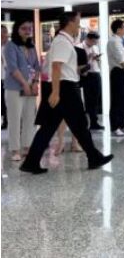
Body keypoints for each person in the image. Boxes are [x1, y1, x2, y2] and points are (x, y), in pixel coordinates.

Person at [20, 12, 113, 174]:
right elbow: (56, 66)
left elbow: (61, 67)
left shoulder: (63, 41)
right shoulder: (62, 41)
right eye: (78, 22)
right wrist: (56, 92)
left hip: (63, 86)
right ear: (70, 23)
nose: (79, 26)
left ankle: (31, 162)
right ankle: (94, 157)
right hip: (65, 88)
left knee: (50, 127)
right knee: (79, 125)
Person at [3, 19, 41, 161]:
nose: (28, 31)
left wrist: (35, 82)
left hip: (31, 87)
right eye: (24, 28)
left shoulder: (32, 46)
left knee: (30, 118)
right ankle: (15, 149)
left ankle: (27, 146)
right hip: (15, 88)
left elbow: (37, 66)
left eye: (29, 28)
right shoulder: (10, 46)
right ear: (17, 30)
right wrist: (24, 84)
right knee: (14, 119)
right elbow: (13, 68)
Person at [107, 19, 124, 136]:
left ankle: (123, 124)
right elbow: (121, 60)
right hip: (118, 72)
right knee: (116, 100)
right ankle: (114, 127)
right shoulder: (114, 41)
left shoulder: (118, 41)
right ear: (118, 29)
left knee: (122, 100)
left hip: (121, 72)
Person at [81, 32, 104, 130]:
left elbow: (97, 61)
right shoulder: (80, 47)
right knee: (89, 99)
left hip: (96, 73)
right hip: (87, 75)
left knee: (96, 99)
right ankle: (89, 121)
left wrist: (97, 58)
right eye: (94, 41)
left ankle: (95, 122)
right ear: (88, 39)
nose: (95, 43)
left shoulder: (95, 47)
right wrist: (89, 57)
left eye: (96, 41)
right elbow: (80, 64)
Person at [1, 25, 9, 130]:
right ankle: (5, 120)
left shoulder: (9, 47)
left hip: (7, 78)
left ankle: (7, 121)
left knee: (7, 101)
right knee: (2, 102)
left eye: (4, 32)